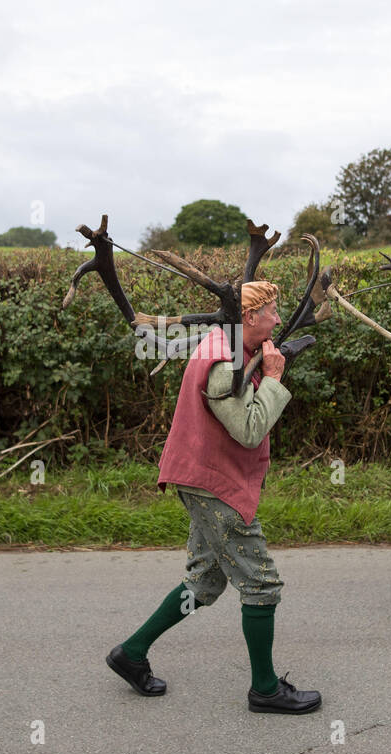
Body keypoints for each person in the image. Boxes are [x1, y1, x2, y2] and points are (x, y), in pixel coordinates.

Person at [105, 281, 321, 714]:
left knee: (204, 581)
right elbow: (248, 430)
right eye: (272, 313)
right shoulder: (223, 362)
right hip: (213, 483)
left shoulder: (228, 344)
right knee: (260, 583)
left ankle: (132, 652)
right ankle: (264, 689)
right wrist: (275, 379)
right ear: (249, 319)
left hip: (201, 476)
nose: (278, 320)